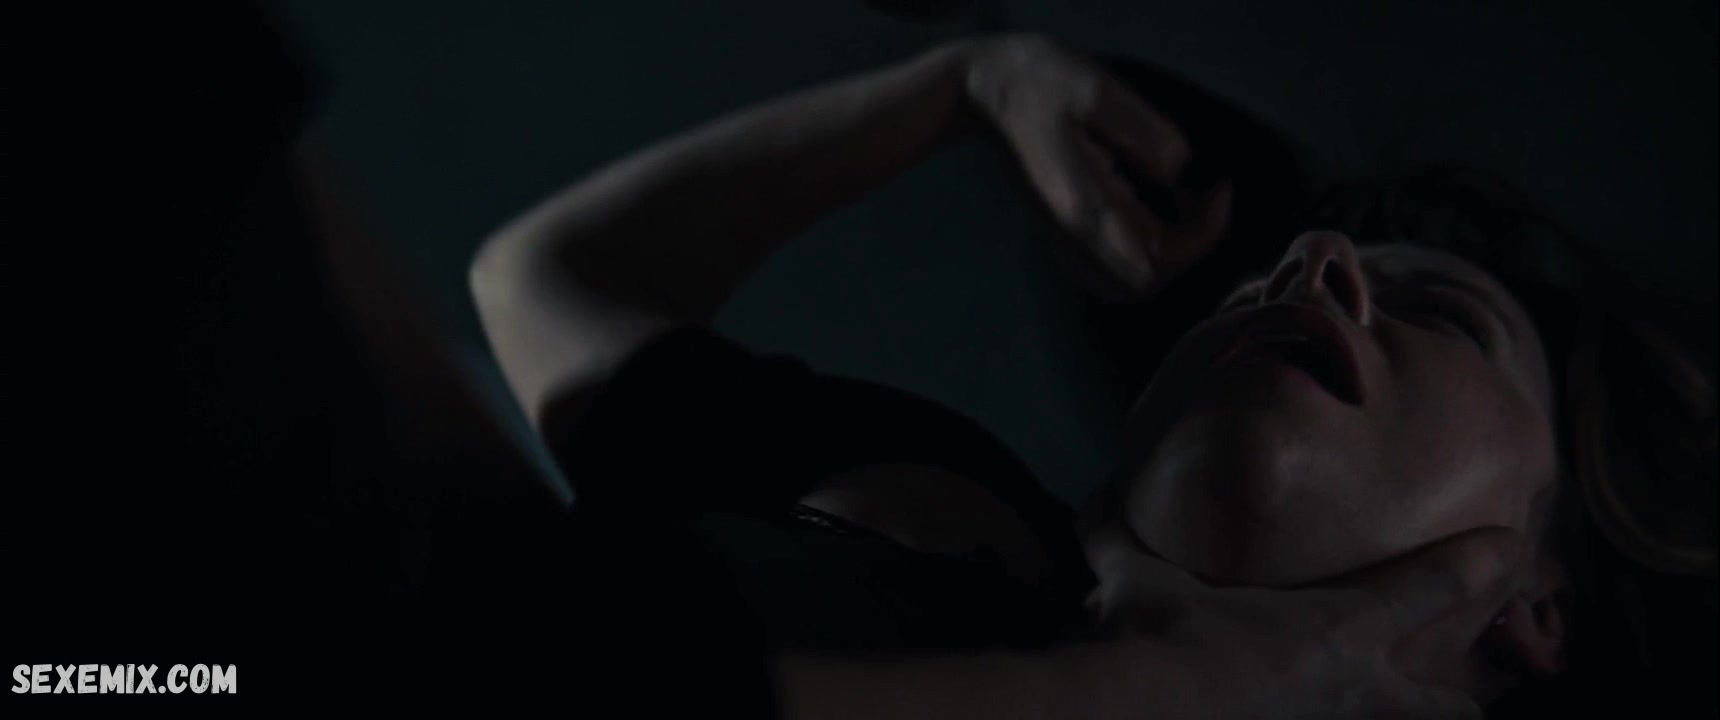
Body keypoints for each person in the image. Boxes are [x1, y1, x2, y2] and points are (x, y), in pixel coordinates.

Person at [472, 33, 1716, 717]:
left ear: (1536, 606)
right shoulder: (937, 493)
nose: (1311, 265)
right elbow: (545, 285)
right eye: (1262, 282)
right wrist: (963, 83)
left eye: (1442, 316)